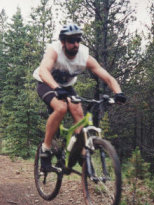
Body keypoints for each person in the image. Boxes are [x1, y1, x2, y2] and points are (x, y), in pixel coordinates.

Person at [33, 23, 126, 171]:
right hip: (46, 82)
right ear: (63, 42)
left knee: (80, 114)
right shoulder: (54, 51)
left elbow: (107, 77)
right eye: (71, 41)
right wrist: (56, 88)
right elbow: (44, 71)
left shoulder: (84, 56)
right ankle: (46, 149)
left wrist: (118, 92)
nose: (75, 44)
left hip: (66, 87)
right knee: (61, 107)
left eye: (78, 40)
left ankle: (81, 154)